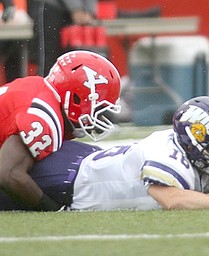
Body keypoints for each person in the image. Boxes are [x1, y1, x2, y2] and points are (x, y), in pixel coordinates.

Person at [1, 96, 209, 211]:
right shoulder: (166, 151)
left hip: (85, 161)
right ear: (194, 142)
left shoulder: (208, 157)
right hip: (67, 180)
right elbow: (172, 199)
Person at [0, 49, 121, 211]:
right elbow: (8, 173)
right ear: (76, 98)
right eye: (98, 106)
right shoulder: (44, 115)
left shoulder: (38, 86)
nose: (97, 115)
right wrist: (53, 209)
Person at [27, 0, 98, 76]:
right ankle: (45, 85)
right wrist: (77, 9)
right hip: (51, 7)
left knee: (73, 59)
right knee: (48, 60)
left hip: (75, 11)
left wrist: (89, 11)